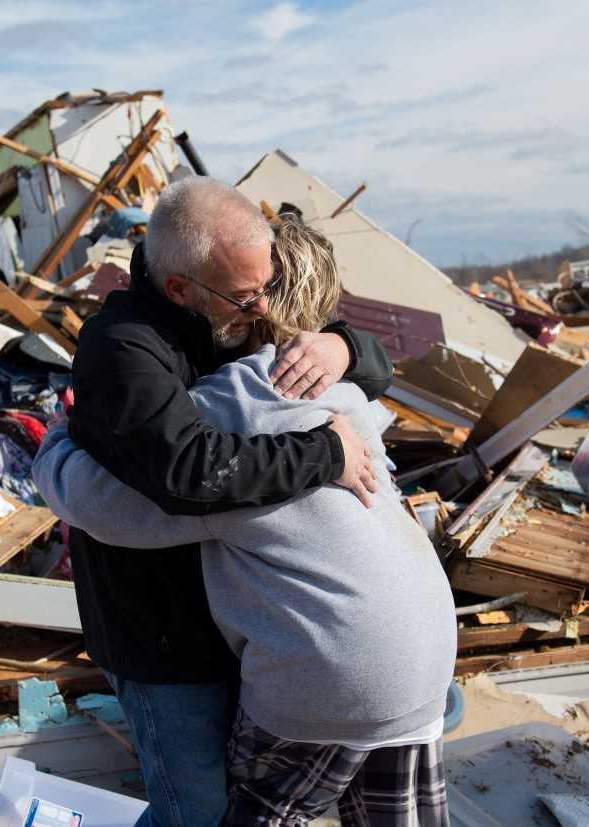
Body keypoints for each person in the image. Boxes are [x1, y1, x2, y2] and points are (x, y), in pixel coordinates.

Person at [35, 218, 456, 826]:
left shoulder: (232, 403)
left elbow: (109, 504)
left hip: (328, 676)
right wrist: (345, 350)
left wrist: (54, 439)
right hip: (423, 663)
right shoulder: (349, 397)